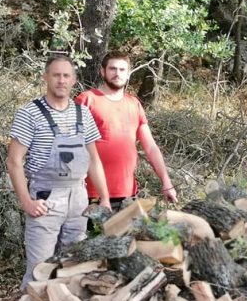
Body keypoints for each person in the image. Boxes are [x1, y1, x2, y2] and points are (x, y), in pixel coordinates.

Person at [7, 55, 110, 291]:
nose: (61, 80)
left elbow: (94, 158)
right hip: (46, 198)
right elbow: (14, 161)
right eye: (56, 75)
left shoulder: (82, 113)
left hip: (78, 199)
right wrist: (26, 201)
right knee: (39, 270)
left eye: (66, 75)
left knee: (73, 265)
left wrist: (104, 198)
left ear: (74, 80)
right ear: (45, 78)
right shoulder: (29, 113)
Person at [75, 51, 177, 210]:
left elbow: (150, 147)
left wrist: (166, 181)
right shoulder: (87, 99)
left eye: (122, 70)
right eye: (113, 69)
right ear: (103, 71)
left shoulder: (134, 103)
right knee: (92, 235)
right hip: (91, 194)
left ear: (128, 74)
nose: (117, 74)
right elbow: (72, 144)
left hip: (127, 194)